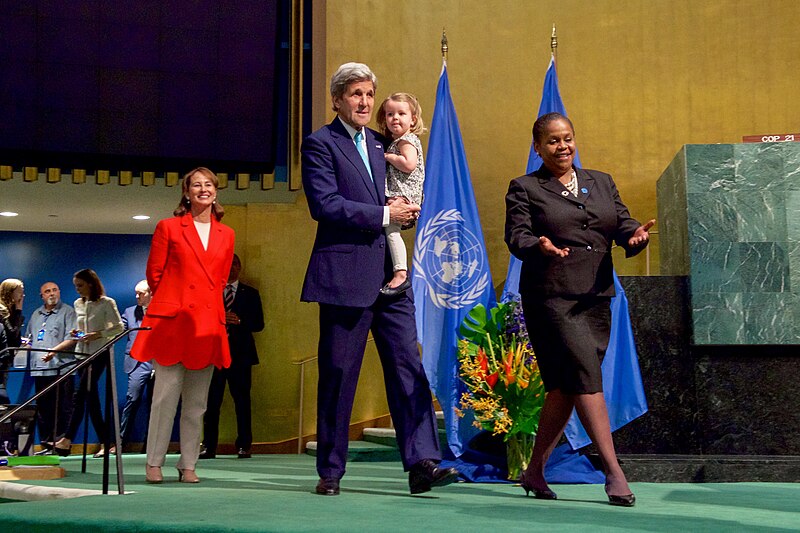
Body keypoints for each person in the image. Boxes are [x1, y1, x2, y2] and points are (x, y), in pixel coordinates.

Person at [301, 62, 458, 496]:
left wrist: (404, 212)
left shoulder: (381, 141)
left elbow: (403, 189)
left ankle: (422, 463)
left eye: (370, 94)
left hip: (392, 279)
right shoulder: (319, 144)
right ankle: (330, 471)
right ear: (337, 100)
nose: (366, 102)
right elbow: (325, 205)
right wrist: (386, 213)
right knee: (337, 374)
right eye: (356, 94)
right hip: (344, 277)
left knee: (409, 369)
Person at [505, 112, 654, 507]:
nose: (562, 146)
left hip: (595, 296)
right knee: (586, 376)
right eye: (552, 141)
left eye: (567, 138)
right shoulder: (525, 187)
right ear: (538, 147)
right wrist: (539, 245)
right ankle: (614, 471)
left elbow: (621, 222)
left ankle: (534, 470)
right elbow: (516, 234)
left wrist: (635, 237)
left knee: (565, 388)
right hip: (552, 299)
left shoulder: (600, 181)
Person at [131, 167, 235, 484]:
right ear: (186, 192)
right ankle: (154, 462)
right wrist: (175, 302)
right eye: (196, 185)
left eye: (209, 185)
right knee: (164, 398)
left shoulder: (226, 233)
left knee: (197, 403)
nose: (203, 189)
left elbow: (219, 279)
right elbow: (155, 275)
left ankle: (188, 463)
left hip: (206, 323)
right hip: (174, 322)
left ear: (216, 192)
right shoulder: (169, 227)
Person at [51, 269, 124, 458]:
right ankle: (107, 442)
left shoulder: (107, 303)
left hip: (99, 353)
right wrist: (77, 334)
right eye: (76, 286)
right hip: (81, 354)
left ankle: (67, 439)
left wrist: (98, 334)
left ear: (90, 284)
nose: (77, 289)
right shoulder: (78, 304)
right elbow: (79, 327)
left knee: (80, 394)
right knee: (91, 401)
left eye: (80, 285)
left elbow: (119, 328)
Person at [200, 253, 264, 459]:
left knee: (242, 402)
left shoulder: (251, 294)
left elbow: (259, 324)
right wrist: (218, 319)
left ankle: (244, 445)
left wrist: (240, 321)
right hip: (214, 354)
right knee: (211, 403)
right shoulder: (209, 293)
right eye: (227, 264)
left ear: (240, 266)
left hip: (241, 356)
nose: (231, 268)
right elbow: (199, 319)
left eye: (235, 263)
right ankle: (209, 446)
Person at [374, 92, 426, 296]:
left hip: (404, 195)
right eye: (389, 114)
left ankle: (400, 273)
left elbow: (408, 164)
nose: (395, 118)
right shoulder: (398, 141)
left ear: (413, 119)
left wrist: (388, 157)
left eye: (401, 114)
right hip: (400, 193)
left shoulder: (406, 141)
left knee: (392, 231)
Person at [26, 282, 78, 454]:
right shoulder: (36, 314)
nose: (51, 294)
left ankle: (62, 446)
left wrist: (54, 351)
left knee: (63, 408)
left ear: (59, 291)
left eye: (54, 290)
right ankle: (47, 444)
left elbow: (73, 338)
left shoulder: (68, 312)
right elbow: (30, 339)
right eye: (47, 291)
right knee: (43, 410)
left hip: (61, 369)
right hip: (40, 369)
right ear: (42, 296)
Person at [118, 280, 154, 453]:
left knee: (156, 406)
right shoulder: (130, 312)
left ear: (151, 293)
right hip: (137, 363)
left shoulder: (161, 311)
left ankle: (151, 445)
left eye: (141, 293)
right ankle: (121, 442)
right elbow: (118, 330)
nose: (137, 296)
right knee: (132, 400)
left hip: (158, 362)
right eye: (136, 293)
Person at [0, 278, 26, 405]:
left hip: (5, 361)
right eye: (20, 292)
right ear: (9, 293)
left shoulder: (9, 311)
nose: (23, 295)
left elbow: (15, 341)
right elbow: (11, 334)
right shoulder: (1, 311)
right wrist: (19, 310)